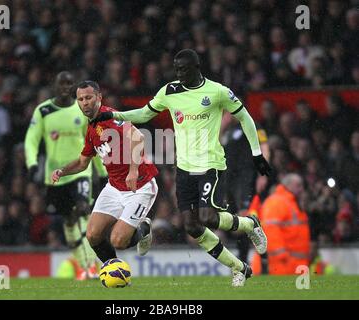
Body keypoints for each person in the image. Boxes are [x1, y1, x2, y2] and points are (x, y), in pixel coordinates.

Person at [91, 49, 271, 286]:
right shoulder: (169, 91)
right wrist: (116, 117)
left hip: (210, 165)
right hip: (184, 169)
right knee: (193, 227)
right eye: (176, 69)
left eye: (183, 69)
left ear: (197, 68)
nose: (179, 74)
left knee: (208, 217)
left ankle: (250, 224)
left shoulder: (217, 92)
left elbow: (245, 118)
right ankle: (239, 268)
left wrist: (257, 154)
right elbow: (145, 114)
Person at [51, 80, 158, 264]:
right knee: (92, 235)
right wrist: (62, 171)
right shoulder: (91, 128)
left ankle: (143, 231)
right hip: (114, 187)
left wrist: (133, 171)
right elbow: (83, 162)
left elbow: (138, 137)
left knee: (118, 240)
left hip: (139, 186)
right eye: (80, 99)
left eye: (88, 97)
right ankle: (114, 269)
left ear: (99, 97)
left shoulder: (110, 117)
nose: (85, 102)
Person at [24, 72, 107, 280]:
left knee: (83, 210)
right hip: (55, 176)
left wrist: (103, 171)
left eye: (69, 83)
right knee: (69, 221)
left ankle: (92, 266)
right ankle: (82, 266)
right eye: (62, 83)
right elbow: (31, 139)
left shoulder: (82, 110)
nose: (65, 87)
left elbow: (92, 143)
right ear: (55, 85)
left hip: (80, 171)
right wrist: (32, 163)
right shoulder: (43, 111)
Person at [221, 112, 270, 271]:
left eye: (227, 111)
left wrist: (263, 172)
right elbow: (214, 142)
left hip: (246, 176)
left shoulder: (251, 123)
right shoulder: (227, 129)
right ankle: (243, 258)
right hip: (228, 178)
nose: (225, 114)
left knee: (244, 214)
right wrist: (223, 124)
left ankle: (250, 260)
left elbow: (264, 145)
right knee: (234, 220)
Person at [259, 173, 310, 274]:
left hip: (294, 263)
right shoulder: (277, 202)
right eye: (298, 185)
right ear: (288, 185)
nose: (301, 189)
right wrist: (281, 255)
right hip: (282, 264)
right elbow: (270, 230)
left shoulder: (292, 202)